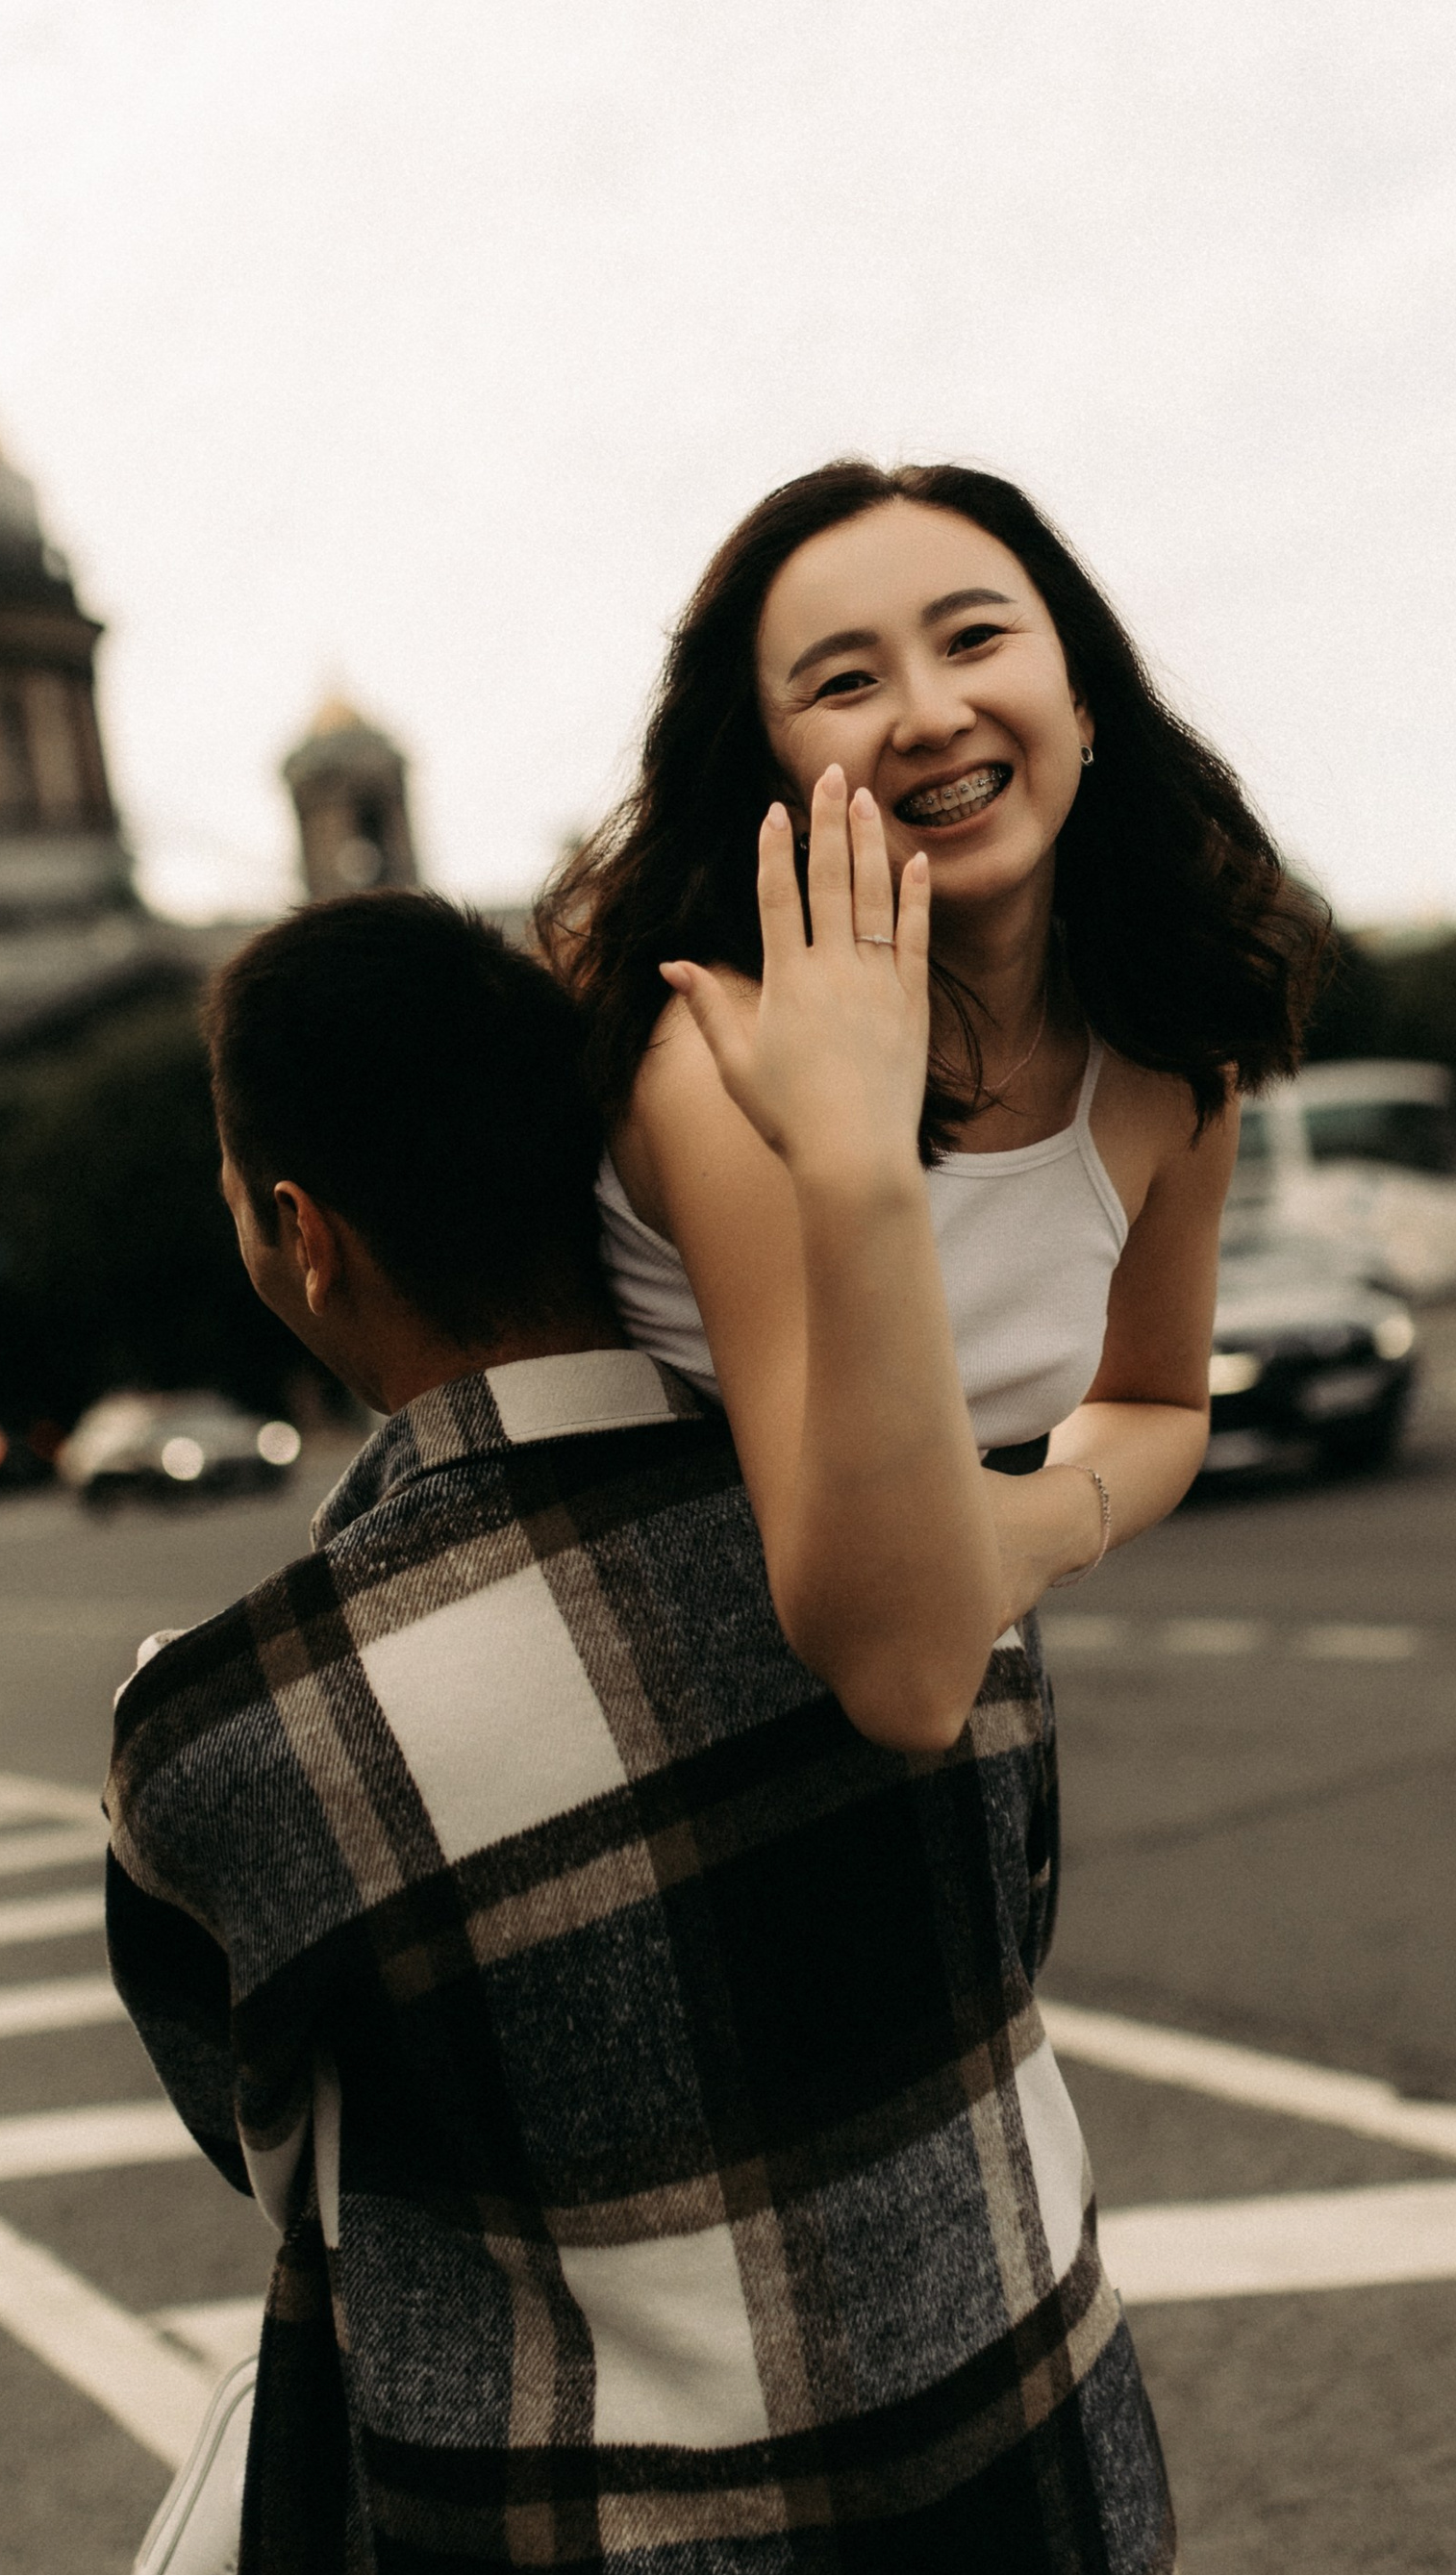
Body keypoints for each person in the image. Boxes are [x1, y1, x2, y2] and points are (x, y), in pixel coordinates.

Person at [105, 883, 1205, 2575]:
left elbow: (271, 2145)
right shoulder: (912, 1535)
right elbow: (1006, 1908)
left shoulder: (236, 1735)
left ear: (295, 1234)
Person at [541, 457, 1319, 1731]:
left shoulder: (1163, 1044)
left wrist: (1043, 1524)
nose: (929, 712)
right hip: (667, 1772)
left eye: (975, 638)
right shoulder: (717, 1061)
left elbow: (1159, 1402)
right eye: (845, 682)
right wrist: (852, 1163)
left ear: (1081, 700)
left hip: (979, 1771)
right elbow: (900, 1671)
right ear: (772, 774)